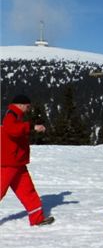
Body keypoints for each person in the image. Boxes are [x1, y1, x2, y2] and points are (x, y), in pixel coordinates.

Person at [1, 94, 55, 226]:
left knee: (27, 190)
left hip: (17, 161)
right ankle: (37, 218)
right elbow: (11, 130)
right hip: (9, 162)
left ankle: (37, 218)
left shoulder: (16, 115)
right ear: (20, 104)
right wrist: (31, 127)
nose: (28, 109)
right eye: (27, 106)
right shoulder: (11, 114)